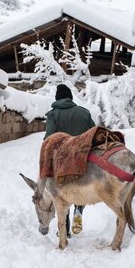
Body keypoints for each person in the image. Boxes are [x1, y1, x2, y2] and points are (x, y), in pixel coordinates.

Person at [44, 84, 95, 236]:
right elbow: (93, 133)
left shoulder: (53, 115)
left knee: (62, 195)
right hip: (82, 159)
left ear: (57, 98)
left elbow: (49, 138)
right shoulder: (83, 113)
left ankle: (64, 230)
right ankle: (78, 211)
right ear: (70, 98)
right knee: (80, 187)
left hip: (61, 162)